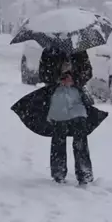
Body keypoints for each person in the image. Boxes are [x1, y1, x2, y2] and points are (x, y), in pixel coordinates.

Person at [39, 50, 95, 185]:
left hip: (77, 100)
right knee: (59, 137)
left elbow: (88, 72)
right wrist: (58, 78)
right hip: (57, 100)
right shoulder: (49, 51)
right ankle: (58, 172)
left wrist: (74, 79)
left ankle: (84, 172)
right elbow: (43, 75)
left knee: (80, 137)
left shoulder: (80, 51)